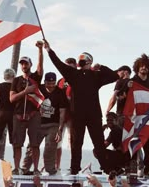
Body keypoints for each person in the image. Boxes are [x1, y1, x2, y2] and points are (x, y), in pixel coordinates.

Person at [44, 40, 119, 174]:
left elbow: (114, 76)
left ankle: (106, 168)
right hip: (77, 114)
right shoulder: (73, 74)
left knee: (99, 143)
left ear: (89, 61)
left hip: (94, 115)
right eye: (80, 59)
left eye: (83, 59)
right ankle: (74, 169)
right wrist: (49, 50)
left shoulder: (96, 75)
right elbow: (58, 64)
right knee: (76, 143)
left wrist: (101, 66)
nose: (80, 61)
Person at [123, 54, 149, 177]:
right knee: (130, 141)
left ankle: (148, 169)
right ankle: (128, 167)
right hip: (132, 118)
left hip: (148, 120)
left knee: (148, 144)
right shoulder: (131, 82)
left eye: (146, 66)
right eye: (141, 66)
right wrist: (126, 87)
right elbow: (120, 97)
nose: (143, 68)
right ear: (137, 67)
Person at [22, 72, 68, 175]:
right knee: (32, 147)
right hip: (38, 124)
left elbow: (62, 112)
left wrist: (60, 130)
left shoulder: (60, 93)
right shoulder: (39, 90)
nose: (51, 86)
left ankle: (50, 170)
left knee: (50, 147)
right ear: (44, 82)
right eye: (48, 83)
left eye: (53, 83)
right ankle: (25, 168)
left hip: (53, 124)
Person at [10, 41, 44, 175]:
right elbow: (12, 98)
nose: (24, 65)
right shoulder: (16, 80)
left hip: (33, 114)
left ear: (30, 65)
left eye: (26, 63)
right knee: (17, 144)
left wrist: (40, 50)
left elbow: (40, 67)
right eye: (22, 64)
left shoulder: (35, 77)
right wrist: (25, 91)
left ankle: (35, 169)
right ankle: (16, 168)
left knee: (34, 143)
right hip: (18, 115)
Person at [56, 57, 77, 171]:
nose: (68, 68)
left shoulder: (78, 79)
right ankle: (56, 166)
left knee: (72, 141)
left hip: (73, 115)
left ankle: (73, 166)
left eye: (70, 66)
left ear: (75, 66)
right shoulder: (61, 81)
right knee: (57, 140)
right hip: (61, 115)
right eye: (66, 66)